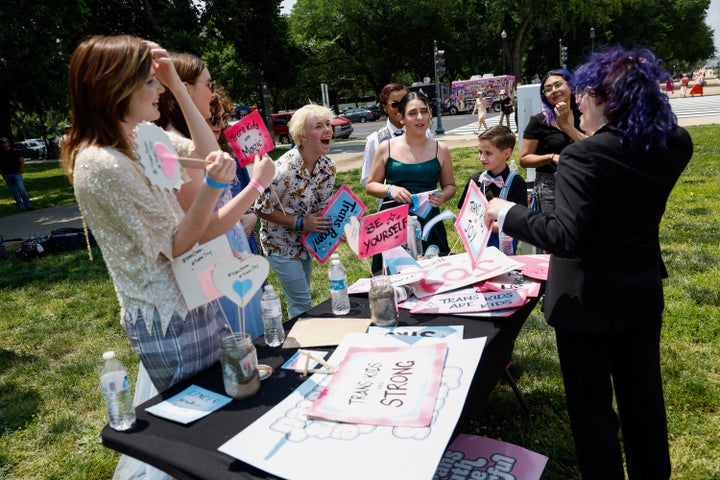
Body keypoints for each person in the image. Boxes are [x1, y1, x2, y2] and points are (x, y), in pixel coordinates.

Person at [487, 46, 692, 479]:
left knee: (592, 410)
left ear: (605, 98)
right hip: (638, 290)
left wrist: (507, 213)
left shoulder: (585, 157)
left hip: (585, 303)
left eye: (581, 94)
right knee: (644, 402)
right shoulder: (673, 144)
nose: (574, 101)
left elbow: (565, 235)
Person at [62, 35, 274, 394]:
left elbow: (209, 154)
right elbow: (177, 244)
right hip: (167, 317)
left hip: (195, 298)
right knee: (206, 419)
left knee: (230, 399)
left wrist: (178, 86)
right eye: (149, 81)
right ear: (115, 88)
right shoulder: (102, 163)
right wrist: (213, 185)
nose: (157, 88)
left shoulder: (141, 137)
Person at [155, 55, 263, 339]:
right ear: (185, 88)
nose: (213, 93)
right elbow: (206, 229)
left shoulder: (191, 141)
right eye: (209, 84)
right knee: (235, 348)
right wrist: (257, 186)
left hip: (232, 254)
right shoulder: (175, 146)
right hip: (210, 265)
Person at [254, 104, 336, 319]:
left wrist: (338, 228)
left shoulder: (328, 167)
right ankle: (304, 348)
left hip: (306, 243)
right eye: (319, 126)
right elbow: (261, 208)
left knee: (300, 302)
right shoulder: (283, 170)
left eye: (328, 124)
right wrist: (300, 223)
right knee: (303, 304)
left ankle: (298, 339)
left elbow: (323, 209)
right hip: (279, 244)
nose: (328, 130)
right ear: (302, 136)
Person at [365, 91, 456, 272]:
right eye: (412, 113)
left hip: (429, 222)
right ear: (401, 118)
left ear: (431, 114)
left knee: (434, 278)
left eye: (424, 111)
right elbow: (370, 185)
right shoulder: (386, 148)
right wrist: (390, 190)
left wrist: (443, 195)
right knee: (392, 280)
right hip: (393, 225)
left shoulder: (441, 149)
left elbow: (450, 186)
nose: (419, 117)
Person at [519, 69, 586, 217]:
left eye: (558, 85)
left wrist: (567, 127)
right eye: (548, 89)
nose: (553, 91)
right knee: (557, 233)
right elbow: (524, 159)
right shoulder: (539, 121)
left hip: (584, 180)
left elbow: (594, 148)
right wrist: (551, 157)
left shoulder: (584, 114)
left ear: (570, 85)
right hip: (551, 185)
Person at [456, 126, 526, 254]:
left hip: (503, 249)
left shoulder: (517, 184)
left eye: (488, 153)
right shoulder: (475, 180)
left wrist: (484, 225)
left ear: (506, 153)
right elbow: (462, 214)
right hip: (475, 247)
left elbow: (517, 224)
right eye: (480, 152)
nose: (482, 158)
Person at [360, 82, 432, 188]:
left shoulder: (426, 134)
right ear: (385, 108)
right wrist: (390, 189)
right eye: (395, 104)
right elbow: (366, 178)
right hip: (391, 202)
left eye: (405, 102)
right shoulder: (375, 140)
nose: (401, 108)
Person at [0, 137, 33, 210]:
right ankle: (20, 206)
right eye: (2, 143)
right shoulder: (1, 153)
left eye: (5, 143)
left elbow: (22, 162)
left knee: (22, 190)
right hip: (7, 175)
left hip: (16, 174)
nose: (3, 144)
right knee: (14, 191)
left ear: (8, 143)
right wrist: (2, 173)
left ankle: (28, 205)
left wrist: (19, 172)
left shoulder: (15, 151)